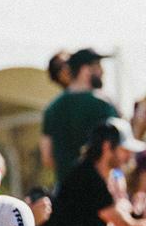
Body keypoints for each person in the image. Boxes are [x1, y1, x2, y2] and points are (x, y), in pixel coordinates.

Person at [40, 48, 119, 184]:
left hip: (65, 191)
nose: (102, 72)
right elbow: (119, 152)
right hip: (98, 191)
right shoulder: (104, 105)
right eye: (98, 66)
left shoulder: (52, 109)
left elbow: (47, 158)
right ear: (85, 70)